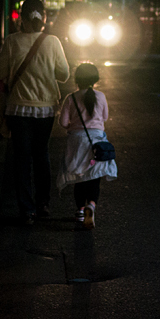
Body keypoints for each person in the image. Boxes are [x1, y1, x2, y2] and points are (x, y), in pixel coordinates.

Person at [0, 0, 70, 224]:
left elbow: (0, 71)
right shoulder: (53, 41)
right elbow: (64, 74)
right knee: (41, 155)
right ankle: (43, 203)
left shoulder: (11, 41)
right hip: (45, 109)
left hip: (17, 109)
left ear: (21, 19)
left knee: (22, 159)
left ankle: (27, 210)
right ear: (43, 18)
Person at [56, 62, 117, 230]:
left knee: (79, 178)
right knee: (94, 178)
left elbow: (62, 122)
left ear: (77, 80)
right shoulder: (101, 96)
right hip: (96, 141)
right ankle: (92, 205)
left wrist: (72, 127)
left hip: (76, 141)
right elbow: (104, 118)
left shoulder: (71, 98)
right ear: (95, 79)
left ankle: (80, 211)